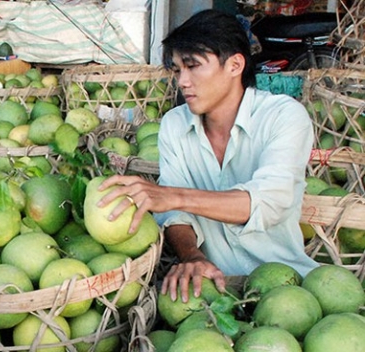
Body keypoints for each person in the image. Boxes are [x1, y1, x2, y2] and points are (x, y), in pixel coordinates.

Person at [96, 9, 319, 303]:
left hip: (288, 289)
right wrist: (191, 255)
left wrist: (173, 196)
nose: (182, 81)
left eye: (193, 66)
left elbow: (269, 202)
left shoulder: (284, 116)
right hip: (211, 289)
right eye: (177, 70)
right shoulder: (175, 124)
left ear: (235, 64)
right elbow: (175, 216)